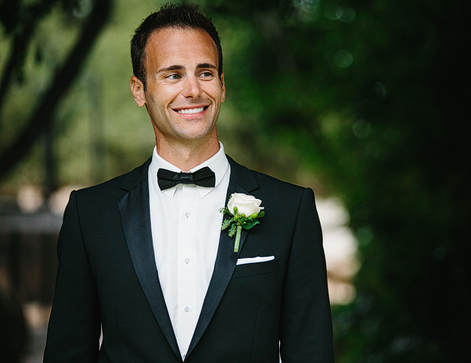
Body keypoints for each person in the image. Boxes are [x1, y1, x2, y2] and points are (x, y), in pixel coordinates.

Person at [42, 3, 334, 362]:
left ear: (223, 86)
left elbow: (311, 351)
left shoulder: (291, 209)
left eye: (206, 72)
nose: (193, 89)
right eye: (173, 74)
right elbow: (67, 353)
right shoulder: (90, 214)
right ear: (139, 89)